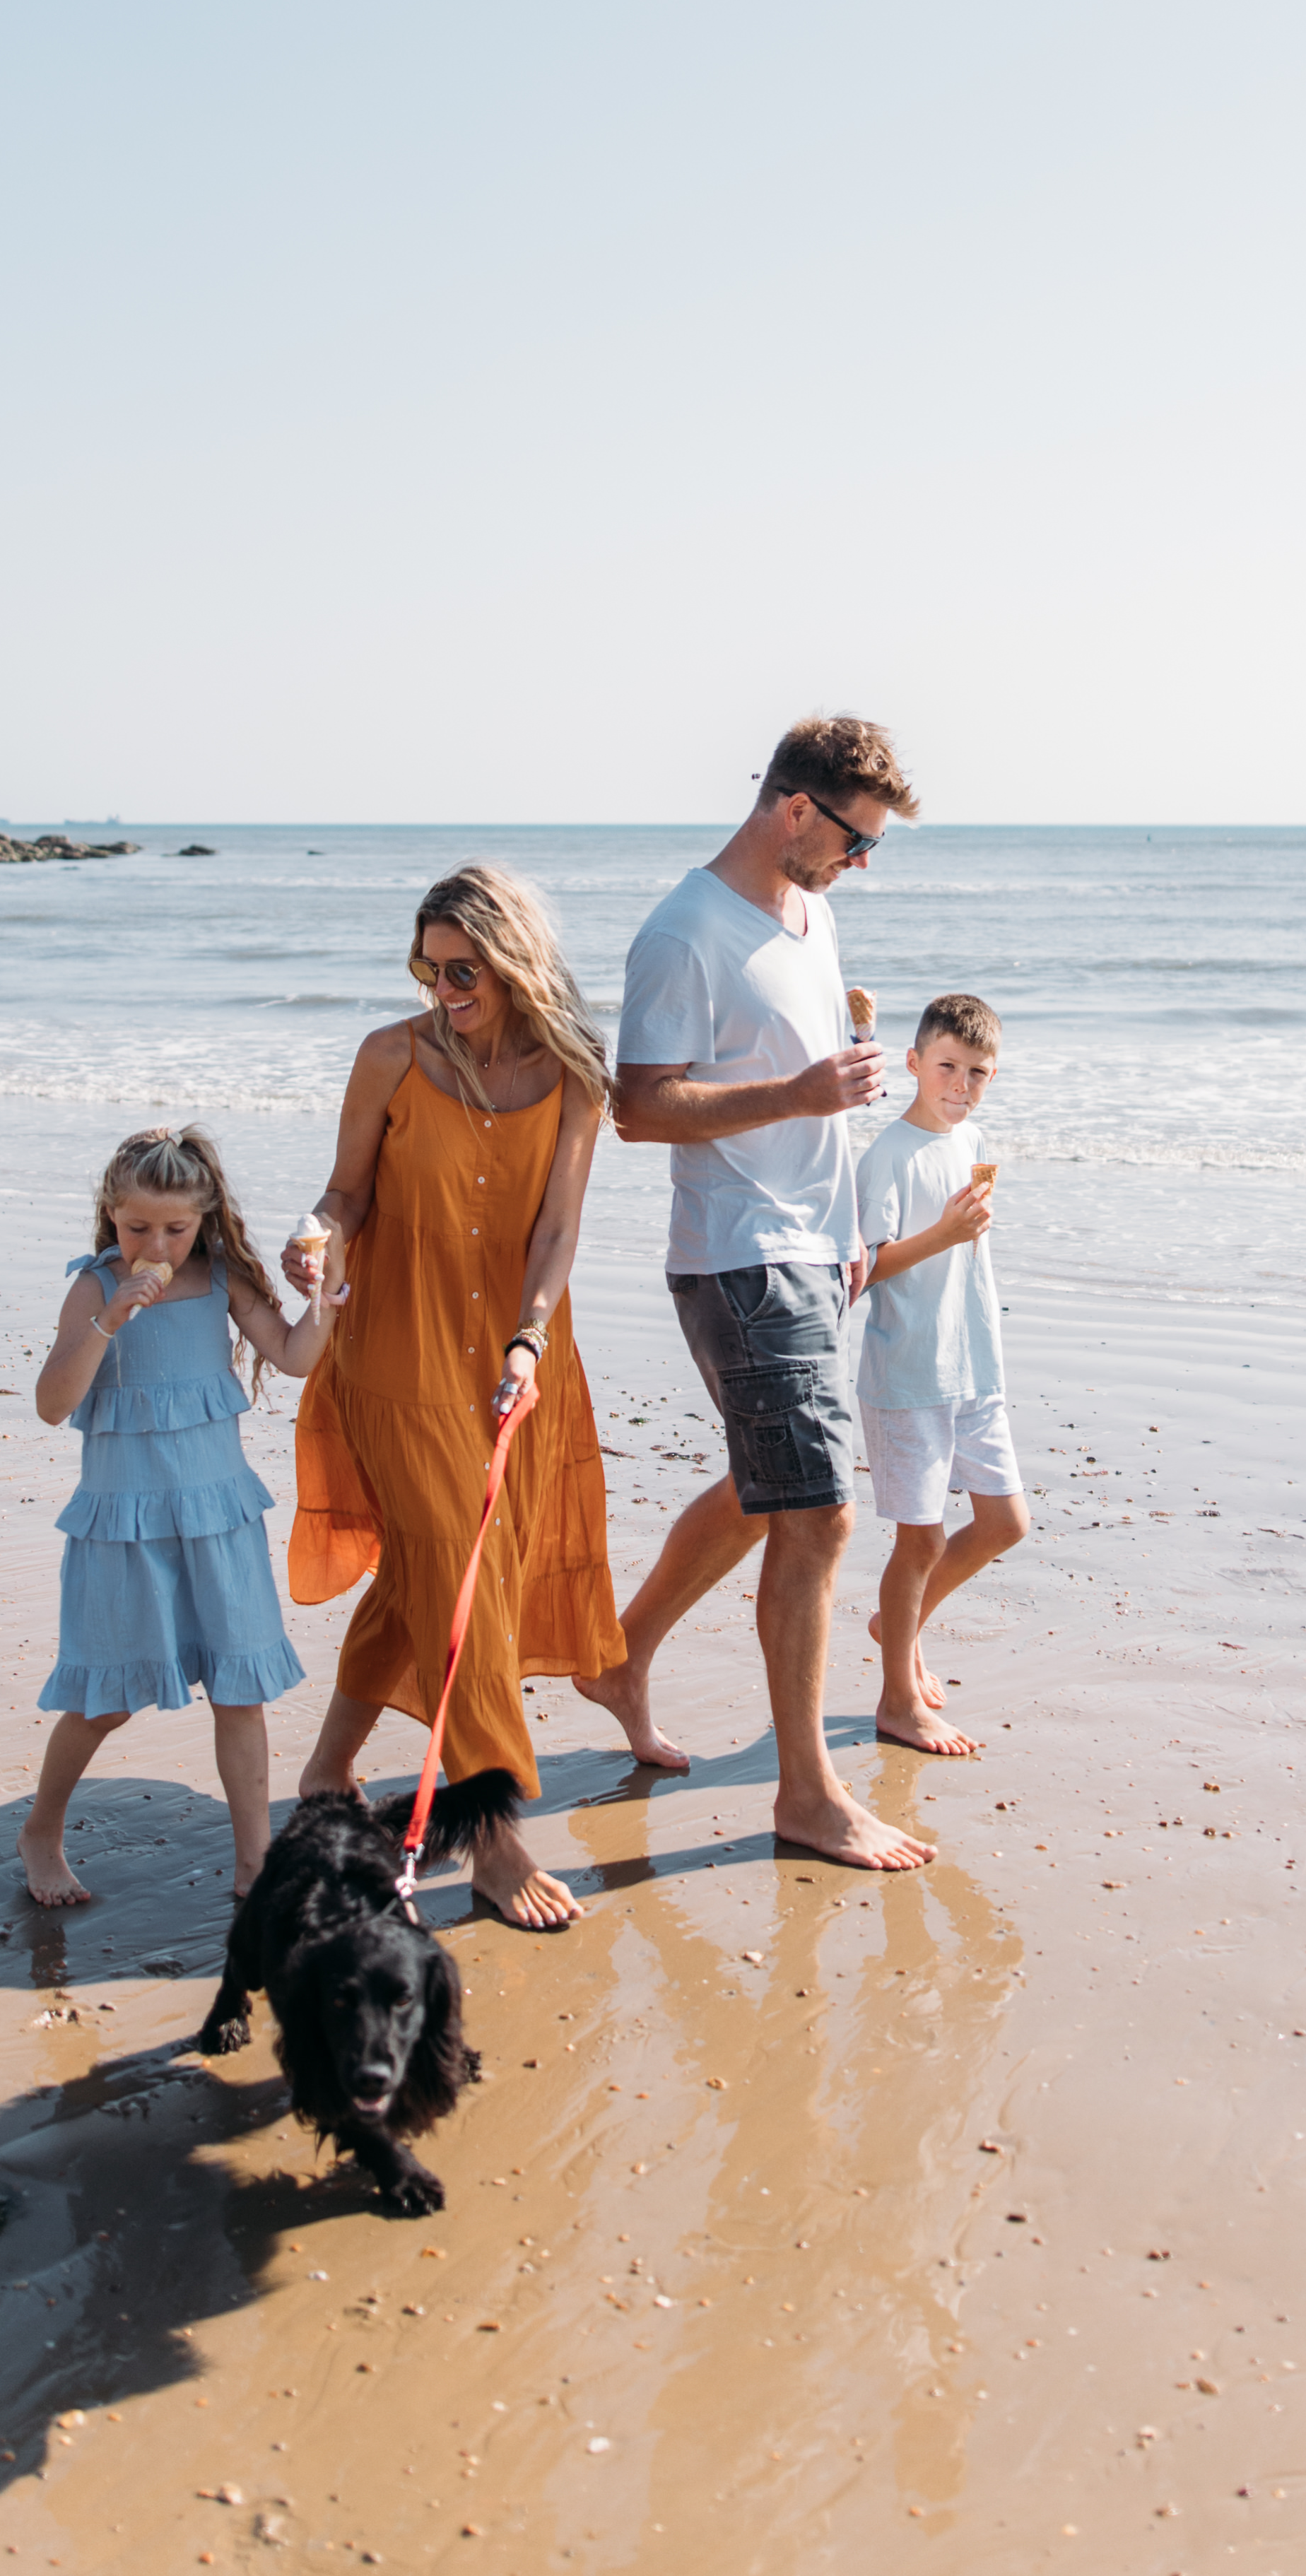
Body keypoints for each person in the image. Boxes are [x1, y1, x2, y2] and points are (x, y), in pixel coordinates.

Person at [584, 711, 936, 1873]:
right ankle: (804, 1795)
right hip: (738, 1252)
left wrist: (843, 1217)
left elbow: (797, 1075)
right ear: (795, 808)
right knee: (820, 1511)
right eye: (856, 839)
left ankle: (621, 1658)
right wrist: (796, 1093)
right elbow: (639, 1109)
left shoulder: (811, 912)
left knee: (765, 1485)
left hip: (808, 1247)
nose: (861, 863)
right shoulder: (682, 933)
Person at [281, 864, 626, 1931]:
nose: (442, 990)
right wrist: (316, 1238)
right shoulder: (393, 1055)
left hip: (516, 1357)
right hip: (396, 1349)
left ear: (513, 959)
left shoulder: (575, 1070)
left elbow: (559, 1228)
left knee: (443, 1569)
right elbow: (344, 1192)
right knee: (454, 1581)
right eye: (426, 970)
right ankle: (493, 1837)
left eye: (462, 970)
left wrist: (528, 1338)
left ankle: (326, 1769)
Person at [21, 1124, 328, 1909]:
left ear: (205, 1219)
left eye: (174, 1228)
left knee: (240, 1689)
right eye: (136, 1227)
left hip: (218, 1518)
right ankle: (42, 1832)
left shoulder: (222, 1279)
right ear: (110, 1216)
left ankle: (256, 1862)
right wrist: (109, 1320)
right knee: (104, 1700)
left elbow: (292, 1357)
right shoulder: (93, 1288)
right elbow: (53, 1405)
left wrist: (326, 1296)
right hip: (125, 1529)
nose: (154, 1243)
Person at [854, 992, 1028, 1758]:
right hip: (908, 1371)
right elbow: (865, 1269)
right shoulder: (887, 1154)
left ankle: (899, 1624)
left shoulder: (974, 1139)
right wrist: (945, 1232)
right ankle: (897, 1697)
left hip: (976, 1364)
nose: (961, 1084)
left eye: (978, 1072)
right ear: (914, 1063)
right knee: (918, 1542)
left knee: (1005, 1522)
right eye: (948, 1066)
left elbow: (968, 1249)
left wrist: (963, 1232)